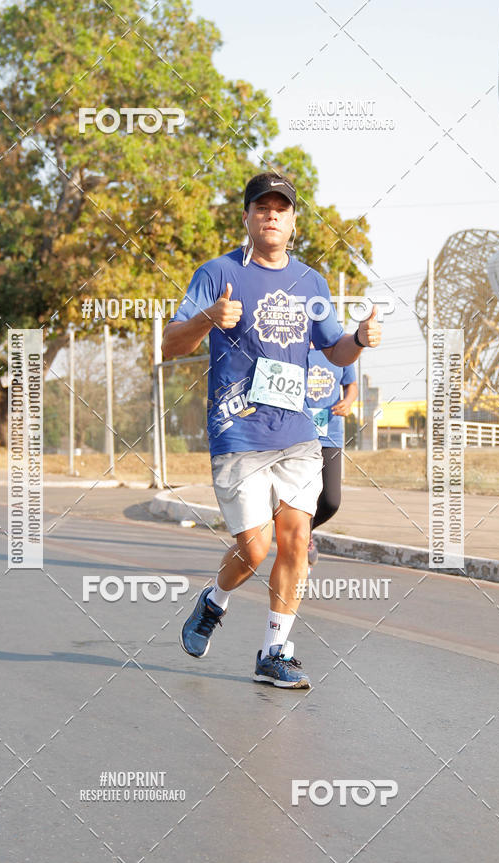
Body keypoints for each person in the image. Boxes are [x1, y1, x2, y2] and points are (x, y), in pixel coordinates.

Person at [162, 173, 381, 688]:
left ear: (294, 221)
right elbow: (172, 343)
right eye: (263, 207)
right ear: (247, 216)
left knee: (295, 539)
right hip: (237, 430)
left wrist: (359, 339)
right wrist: (208, 319)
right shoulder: (217, 273)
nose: (272, 215)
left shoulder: (312, 282)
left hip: (299, 431)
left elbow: (335, 351)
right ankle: (215, 600)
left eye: (282, 208)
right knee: (255, 548)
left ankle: (274, 651)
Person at [305, 347, 358, 566]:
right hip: (298, 433)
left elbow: (351, 386)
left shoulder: (340, 346)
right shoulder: (293, 344)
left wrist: (348, 402)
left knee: (331, 500)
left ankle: (303, 530)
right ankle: (301, 537)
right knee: (301, 493)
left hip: (330, 433)